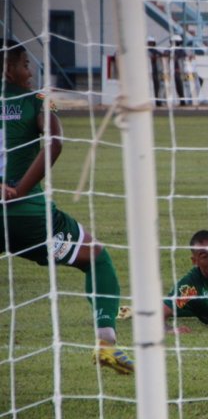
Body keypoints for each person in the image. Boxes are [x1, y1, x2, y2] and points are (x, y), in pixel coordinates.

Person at [0, 39, 134, 375]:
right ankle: (106, 345)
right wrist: (18, 190)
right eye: (25, 64)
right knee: (97, 256)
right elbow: (56, 143)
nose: (30, 72)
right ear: (9, 67)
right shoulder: (39, 99)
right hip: (23, 214)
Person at [169, 34, 188, 106]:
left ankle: (190, 99)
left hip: (184, 74)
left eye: (177, 42)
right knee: (178, 79)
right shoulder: (169, 51)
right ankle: (182, 99)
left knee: (197, 79)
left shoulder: (181, 51)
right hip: (171, 74)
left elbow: (184, 61)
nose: (177, 44)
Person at [146, 36, 163, 106]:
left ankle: (158, 101)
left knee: (158, 86)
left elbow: (161, 55)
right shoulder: (146, 51)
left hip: (157, 71)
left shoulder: (156, 51)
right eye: (150, 43)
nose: (151, 44)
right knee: (149, 87)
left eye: (152, 43)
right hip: (149, 71)